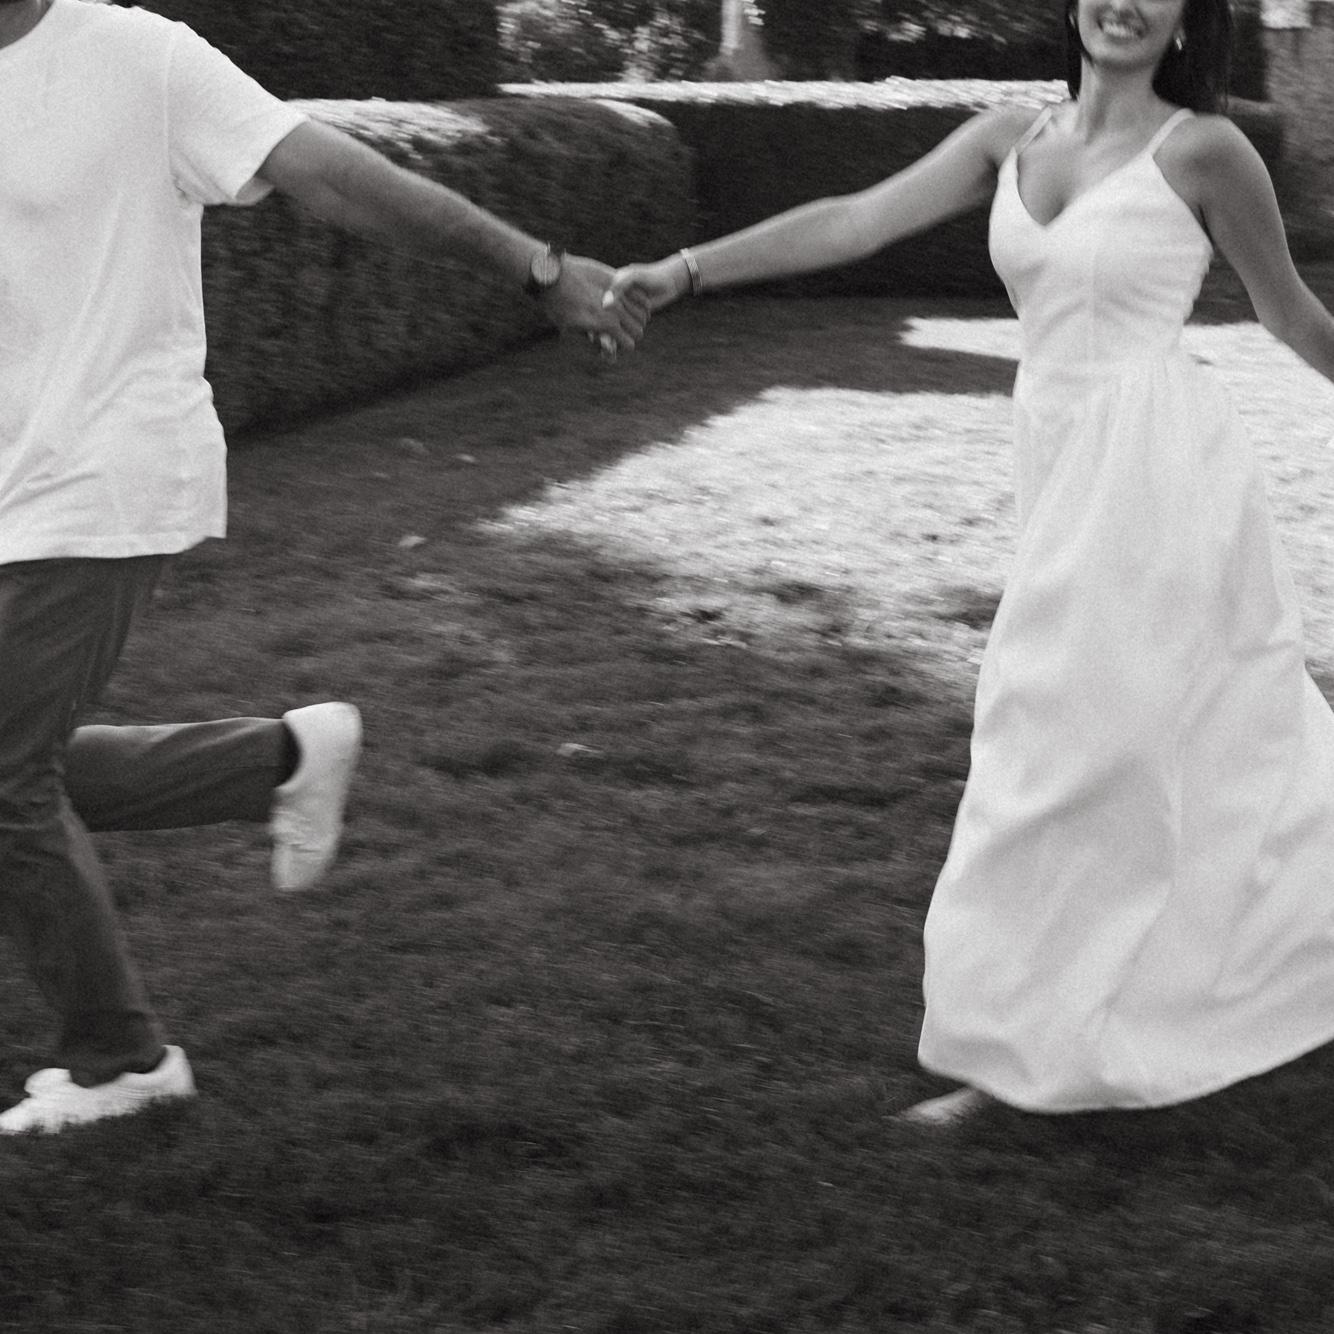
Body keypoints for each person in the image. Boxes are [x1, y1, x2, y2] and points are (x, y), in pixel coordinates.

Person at [612, 0, 1334, 1123]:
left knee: (1070, 744)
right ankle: (1045, 1034)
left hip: (1158, 473)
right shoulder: (1009, 137)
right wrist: (684, 270)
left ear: (1188, 20)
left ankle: (1021, 1059)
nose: (1123, 4)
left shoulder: (1205, 148)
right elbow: (856, 221)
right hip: (1058, 463)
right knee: (1121, 737)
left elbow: (1288, 315)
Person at [0, 0, 648, 1135]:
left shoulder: (137, 57)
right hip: (14, 482)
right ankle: (282, 759)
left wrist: (535, 267)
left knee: (2, 777)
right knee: (16, 766)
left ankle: (122, 1061)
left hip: (100, 472)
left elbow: (337, 177)